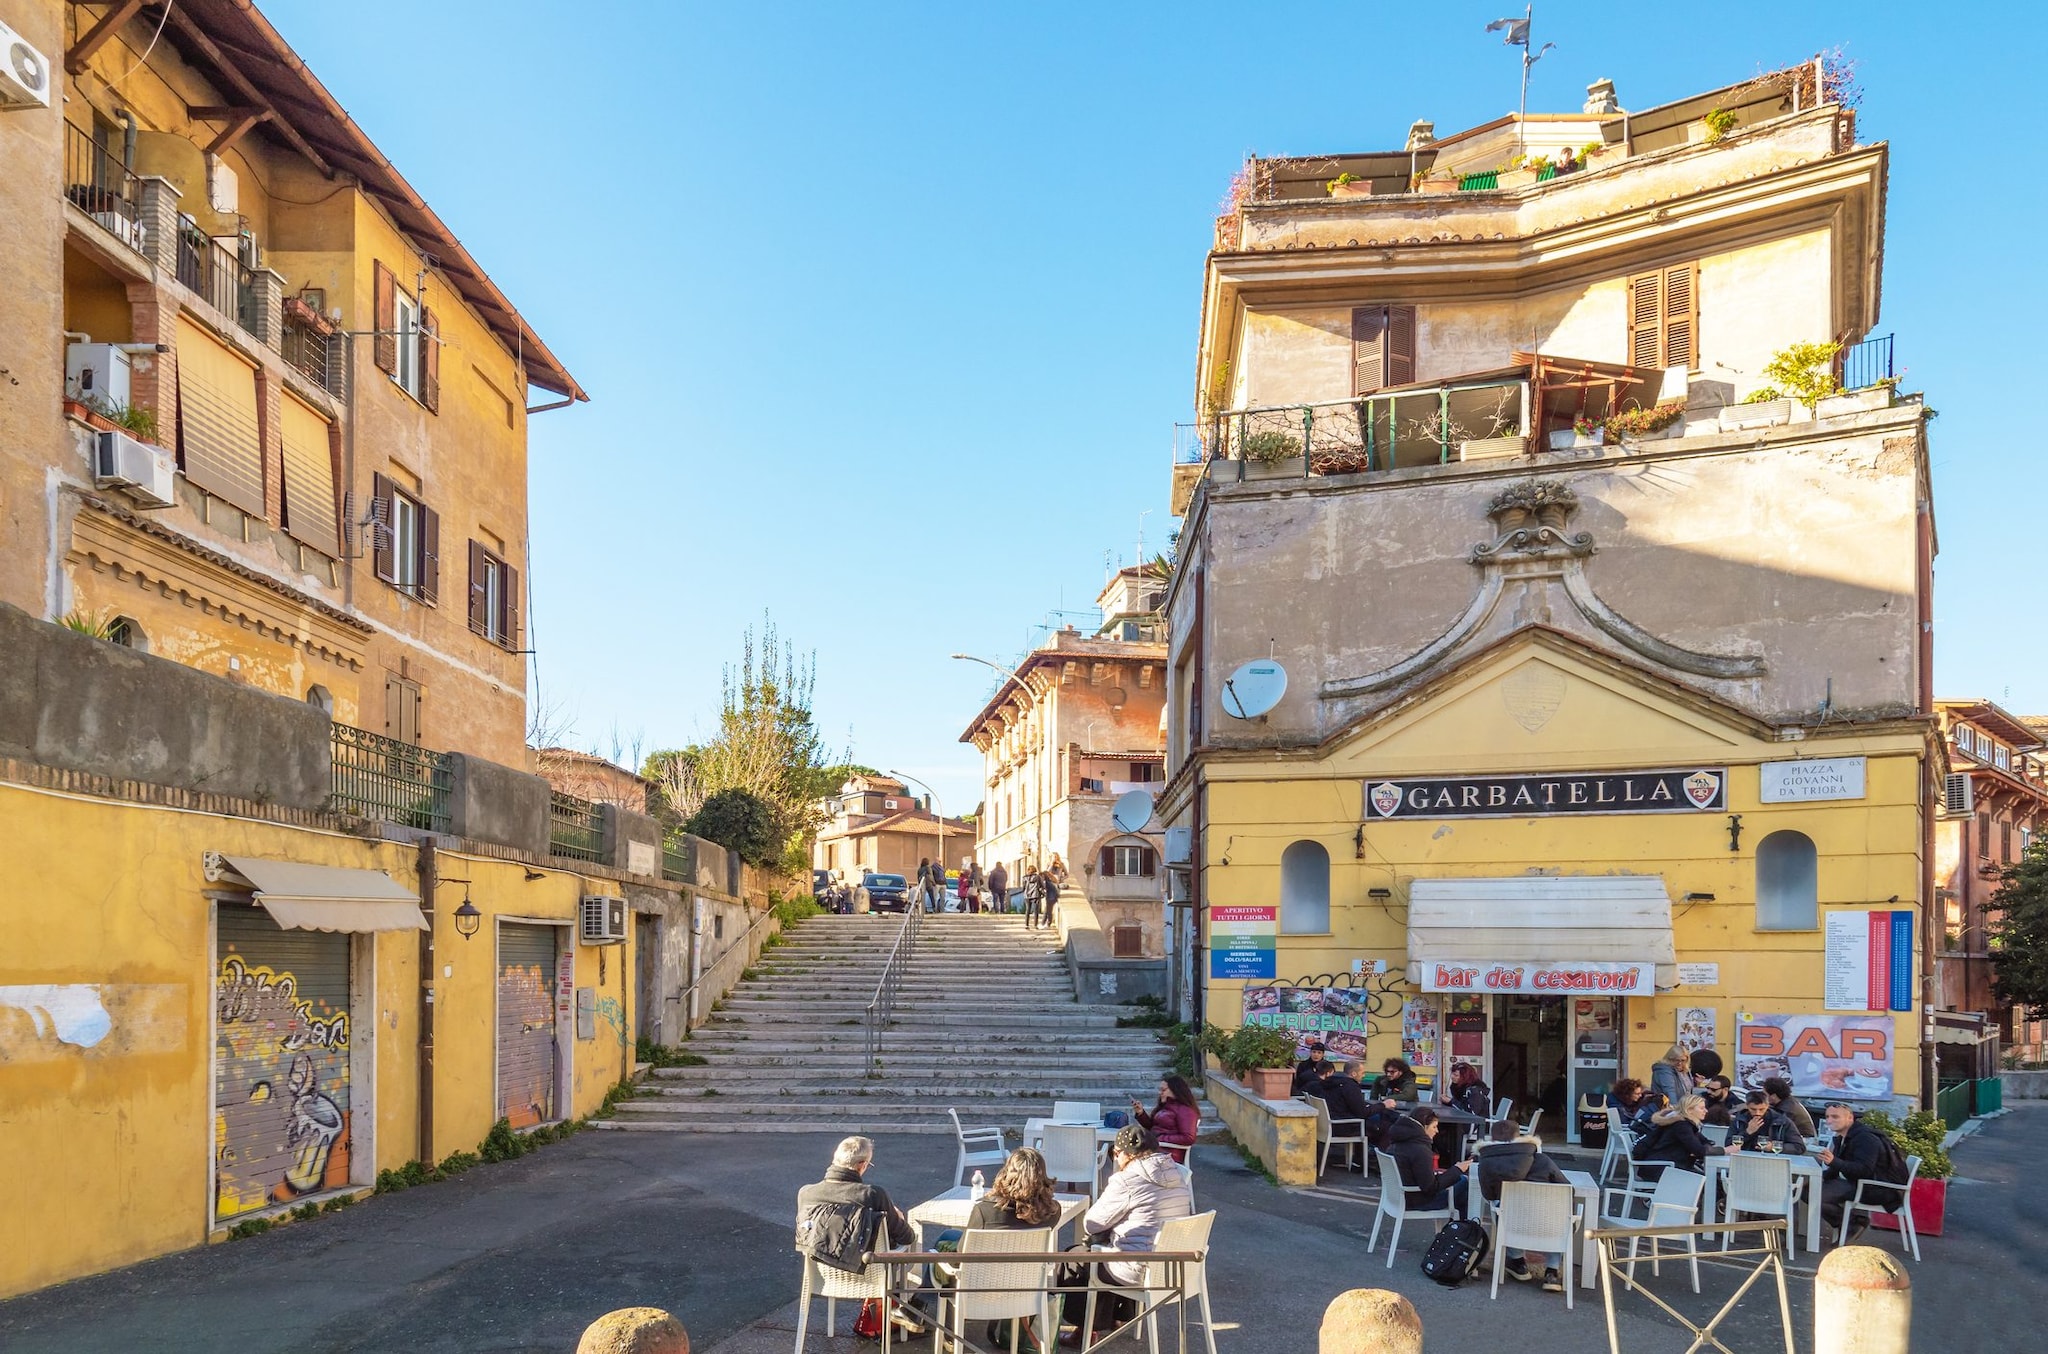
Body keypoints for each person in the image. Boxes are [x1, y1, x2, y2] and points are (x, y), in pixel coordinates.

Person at [1059, 1125, 1193, 1344]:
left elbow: (1091, 1224)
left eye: (1116, 1153)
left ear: (1126, 1154)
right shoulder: (1177, 1173)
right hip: (1172, 1267)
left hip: (1139, 1270)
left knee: (1076, 1259)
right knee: (1113, 1250)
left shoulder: (1127, 1180)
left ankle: (1084, 1334)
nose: (1115, 1158)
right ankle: (1116, 1319)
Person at [793, 1135, 914, 1274]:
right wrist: (899, 1218)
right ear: (862, 1165)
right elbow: (906, 1237)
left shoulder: (806, 1193)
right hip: (869, 1274)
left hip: (822, 1276)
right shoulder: (872, 1195)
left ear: (835, 1158)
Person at [1473, 1120, 1568, 1293]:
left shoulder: (1486, 1163)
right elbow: (1567, 1190)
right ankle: (1552, 1271)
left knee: (1505, 1208)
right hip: (1548, 1226)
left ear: (1492, 1139)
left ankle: (1518, 1262)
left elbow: (1489, 1195)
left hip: (1512, 1226)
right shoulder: (1542, 1160)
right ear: (1519, 1137)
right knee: (1559, 1210)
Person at [1816, 1102, 1906, 1240]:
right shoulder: (1844, 1137)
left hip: (1879, 1189)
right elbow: (1836, 1169)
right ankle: (1849, 1224)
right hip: (1860, 1183)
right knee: (1810, 1190)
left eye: (1835, 1117)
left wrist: (1834, 1161)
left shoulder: (1865, 1138)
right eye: (1827, 1117)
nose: (1829, 1121)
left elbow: (1864, 1170)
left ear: (1850, 1118)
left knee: (1816, 1195)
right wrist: (1819, 1177)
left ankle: (1853, 1224)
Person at [1385, 1108, 1470, 1215]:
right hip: (1419, 1201)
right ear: (1424, 1127)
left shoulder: (1397, 1142)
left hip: (1397, 1198)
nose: (1437, 1131)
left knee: (1459, 1183)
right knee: (1463, 1181)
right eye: (1434, 1127)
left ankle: (1458, 1223)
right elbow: (1430, 1187)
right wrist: (1457, 1169)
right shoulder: (1420, 1150)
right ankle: (1463, 1223)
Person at [968, 1147, 1063, 1231]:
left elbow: (966, 1245)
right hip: (1031, 1246)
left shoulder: (984, 1211)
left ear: (1005, 1175)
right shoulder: (1052, 1212)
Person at [1632, 1095, 1724, 1176]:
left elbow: (1705, 1142)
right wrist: (1725, 1150)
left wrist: (1699, 1149)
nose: (1706, 1111)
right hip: (1662, 1168)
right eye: (1702, 1108)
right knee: (1711, 1182)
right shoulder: (1681, 1125)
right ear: (1689, 1110)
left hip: (1664, 1166)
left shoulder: (1684, 1123)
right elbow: (1700, 1151)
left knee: (1713, 1180)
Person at [1130, 1075, 1200, 1163]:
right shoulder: (1165, 1107)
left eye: (1163, 1090)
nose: (1160, 1093)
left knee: (1124, 1153)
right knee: (1121, 1148)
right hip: (1155, 1148)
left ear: (1175, 1091)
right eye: (1160, 1090)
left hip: (1167, 1153)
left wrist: (1159, 1138)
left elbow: (1188, 1138)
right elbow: (1152, 1127)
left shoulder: (1185, 1110)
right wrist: (1141, 1113)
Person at [1727, 1090, 1802, 1154]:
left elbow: (1799, 1147)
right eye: (1753, 1109)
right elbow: (1728, 1145)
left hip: (1773, 1161)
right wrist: (1747, 1132)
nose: (1757, 1113)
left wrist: (1773, 1146)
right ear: (1747, 1106)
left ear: (1767, 1106)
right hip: (1744, 1159)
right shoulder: (1739, 1120)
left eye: (1761, 1109)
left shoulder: (1782, 1121)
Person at [1651, 1045, 1695, 1109]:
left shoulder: (1684, 1070)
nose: (1680, 1063)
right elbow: (1670, 1092)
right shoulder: (1664, 1071)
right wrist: (1674, 1111)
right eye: (1676, 1060)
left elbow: (1687, 1089)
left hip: (1684, 1108)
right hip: (1668, 1109)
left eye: (1683, 1060)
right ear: (1669, 1059)